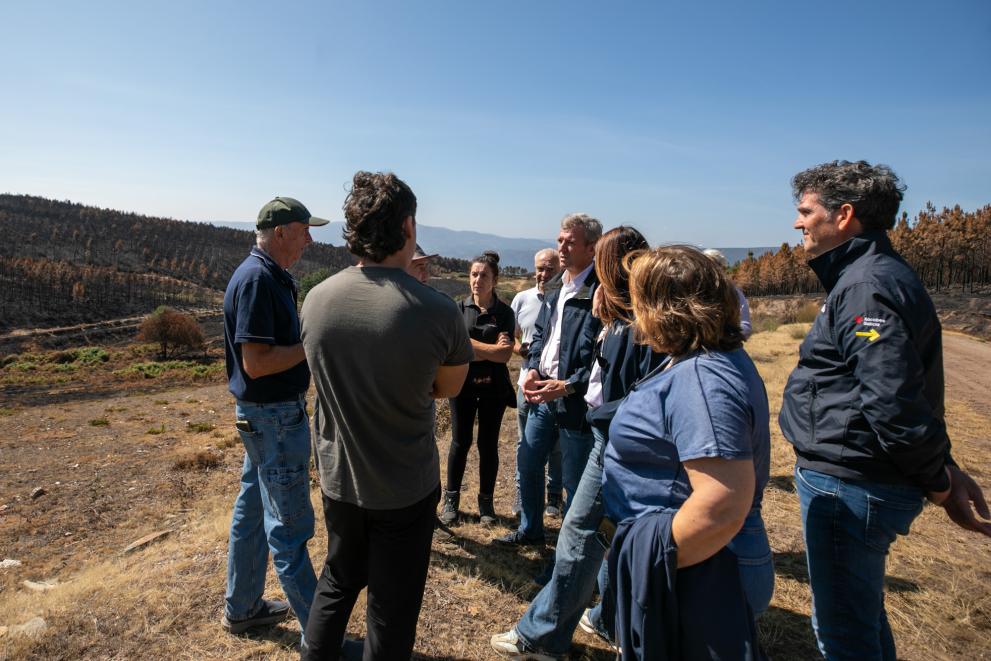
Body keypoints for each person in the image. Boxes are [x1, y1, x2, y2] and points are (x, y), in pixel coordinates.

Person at [779, 160, 991, 660]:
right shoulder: (868, 276)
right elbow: (902, 387)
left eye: (806, 212)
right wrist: (943, 467)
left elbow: (892, 402)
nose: (797, 223)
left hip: (852, 483)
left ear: (845, 215)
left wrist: (939, 482)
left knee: (844, 634)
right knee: (861, 616)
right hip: (855, 477)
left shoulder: (865, 286)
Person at [300, 171, 473, 659]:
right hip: (404, 489)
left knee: (336, 582)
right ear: (409, 226)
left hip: (339, 483)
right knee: (390, 613)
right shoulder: (438, 312)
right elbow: (446, 389)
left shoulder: (316, 301)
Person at [492, 226, 664, 658]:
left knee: (580, 531)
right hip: (609, 429)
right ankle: (608, 617)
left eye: (600, 258)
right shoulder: (616, 313)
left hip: (611, 435)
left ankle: (542, 636)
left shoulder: (634, 324)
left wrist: (574, 393)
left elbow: (626, 388)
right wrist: (535, 370)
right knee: (606, 532)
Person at [601, 245, 773, 658]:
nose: (632, 311)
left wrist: (648, 563)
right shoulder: (705, 358)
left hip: (698, 566)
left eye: (637, 300)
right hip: (695, 559)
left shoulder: (701, 380)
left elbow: (722, 505)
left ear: (663, 307)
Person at [221, 196, 326, 637]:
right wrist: (314, 343)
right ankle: (323, 638)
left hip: (264, 418)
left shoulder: (270, 276)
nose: (309, 237)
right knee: (288, 529)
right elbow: (257, 363)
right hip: (274, 420)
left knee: (250, 512)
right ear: (280, 232)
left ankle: (242, 608)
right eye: (304, 229)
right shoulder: (258, 280)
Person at [496, 213, 603, 547]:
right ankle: (531, 530)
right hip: (543, 395)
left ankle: (569, 555)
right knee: (528, 464)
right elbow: (541, 334)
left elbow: (602, 356)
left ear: (591, 247)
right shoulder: (557, 285)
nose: (562, 247)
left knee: (574, 482)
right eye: (560, 240)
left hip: (576, 403)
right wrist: (530, 368)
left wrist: (569, 384)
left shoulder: (600, 292)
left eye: (570, 242)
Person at [440, 251, 516, 526]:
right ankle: (451, 501)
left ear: (495, 279)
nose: (477, 279)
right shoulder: (457, 310)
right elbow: (454, 348)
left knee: (488, 444)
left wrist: (470, 347)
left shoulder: (505, 313)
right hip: (461, 385)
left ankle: (486, 503)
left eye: (484, 275)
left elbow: (505, 356)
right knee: (460, 442)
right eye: (474, 274)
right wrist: (490, 348)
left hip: (494, 389)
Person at [509, 249, 564, 518]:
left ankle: (554, 496)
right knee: (524, 443)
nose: (543, 275)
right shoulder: (522, 299)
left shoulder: (564, 300)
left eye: (549, 269)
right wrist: (520, 349)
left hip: (555, 386)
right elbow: (510, 335)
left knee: (556, 446)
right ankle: (524, 494)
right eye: (540, 269)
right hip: (526, 383)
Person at [703, 248, 752, 339]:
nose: (708, 270)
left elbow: (746, 327)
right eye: (704, 265)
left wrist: (724, 336)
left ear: (722, 268)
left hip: (726, 347)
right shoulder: (694, 290)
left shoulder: (734, 292)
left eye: (714, 265)